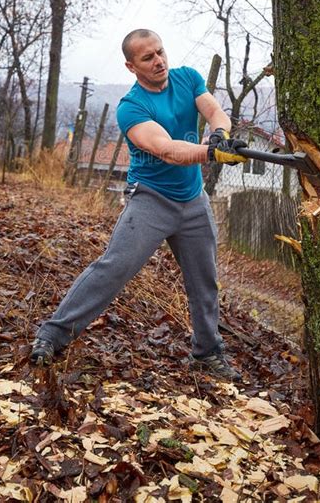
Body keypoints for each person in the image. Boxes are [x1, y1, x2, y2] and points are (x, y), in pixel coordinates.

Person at [31, 29, 248, 380]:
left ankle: (207, 352)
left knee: (204, 279)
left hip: (193, 200)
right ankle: (52, 334)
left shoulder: (187, 78)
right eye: (147, 57)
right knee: (114, 267)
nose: (158, 61)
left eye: (160, 52)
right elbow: (166, 149)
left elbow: (214, 110)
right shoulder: (131, 107)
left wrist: (219, 132)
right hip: (151, 198)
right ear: (131, 66)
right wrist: (210, 152)